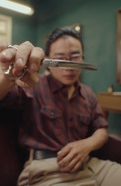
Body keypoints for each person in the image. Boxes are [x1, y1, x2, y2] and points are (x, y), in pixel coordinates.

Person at [0, 27, 121, 186]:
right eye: (60, 57)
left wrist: (86, 145)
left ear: (83, 58)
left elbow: (102, 129)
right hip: (45, 170)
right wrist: (8, 76)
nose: (69, 65)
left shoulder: (88, 93)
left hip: (90, 165)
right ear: (48, 61)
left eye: (75, 57)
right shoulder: (32, 85)